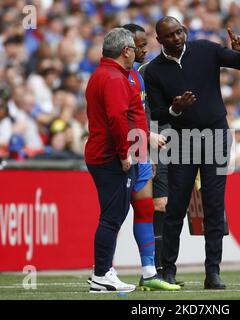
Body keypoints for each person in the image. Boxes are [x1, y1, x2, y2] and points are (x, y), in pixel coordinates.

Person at [144, 16, 240, 289]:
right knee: (175, 207)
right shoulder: (153, 70)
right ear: (159, 40)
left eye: (180, 31)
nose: (178, 38)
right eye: (170, 35)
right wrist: (176, 108)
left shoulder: (206, 49)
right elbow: (157, 112)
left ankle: (213, 273)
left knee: (214, 206)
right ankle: (168, 271)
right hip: (182, 141)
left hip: (216, 136)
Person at [85, 28, 148, 293]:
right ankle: (101, 273)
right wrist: (125, 153)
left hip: (104, 153)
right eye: (134, 48)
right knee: (112, 217)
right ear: (126, 51)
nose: (137, 52)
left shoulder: (103, 74)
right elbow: (118, 119)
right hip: (111, 156)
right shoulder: (113, 78)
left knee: (113, 215)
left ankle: (102, 270)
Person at [121, 23, 180, 291]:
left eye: (146, 44)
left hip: (155, 146)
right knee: (152, 206)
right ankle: (151, 270)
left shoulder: (141, 74)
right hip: (141, 149)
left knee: (161, 205)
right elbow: (133, 116)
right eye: (140, 45)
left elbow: (151, 113)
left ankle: (158, 269)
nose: (146, 49)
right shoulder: (134, 75)